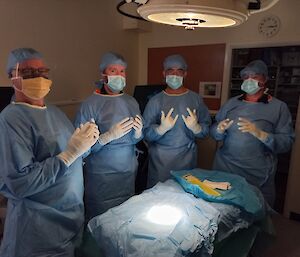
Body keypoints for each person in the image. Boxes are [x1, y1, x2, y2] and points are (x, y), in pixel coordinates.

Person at [0, 48, 99, 257]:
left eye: (42, 72)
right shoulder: (11, 119)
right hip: (37, 228)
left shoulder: (55, 113)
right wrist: (69, 154)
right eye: (29, 73)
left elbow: (73, 157)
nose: (39, 78)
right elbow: (21, 183)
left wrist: (87, 144)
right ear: (13, 77)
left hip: (70, 217)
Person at [210, 60, 295, 207]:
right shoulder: (231, 103)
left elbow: (286, 143)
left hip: (257, 171)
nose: (249, 80)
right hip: (225, 166)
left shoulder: (278, 107)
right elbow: (214, 133)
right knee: (222, 209)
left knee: (255, 212)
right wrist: (219, 129)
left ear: (265, 79)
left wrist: (261, 134)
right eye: (246, 77)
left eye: (255, 76)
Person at [75, 52, 143, 220]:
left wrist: (139, 133)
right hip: (101, 176)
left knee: (124, 218)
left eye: (122, 71)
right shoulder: (90, 105)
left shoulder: (131, 102)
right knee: (101, 220)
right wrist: (105, 137)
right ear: (103, 75)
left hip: (127, 172)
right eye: (113, 71)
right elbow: (79, 149)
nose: (119, 75)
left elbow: (136, 139)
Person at [143, 54, 211, 188]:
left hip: (187, 160)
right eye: (170, 71)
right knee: (159, 200)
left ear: (185, 74)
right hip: (160, 162)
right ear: (164, 73)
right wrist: (160, 129)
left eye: (179, 71)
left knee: (184, 197)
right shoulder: (155, 101)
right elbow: (145, 134)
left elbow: (206, 131)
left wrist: (197, 128)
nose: (175, 75)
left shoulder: (195, 99)